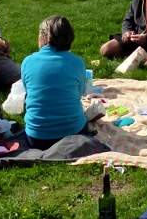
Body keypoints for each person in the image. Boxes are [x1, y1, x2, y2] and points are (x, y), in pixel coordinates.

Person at [20, 15, 93, 149]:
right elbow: (81, 92)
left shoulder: (28, 61)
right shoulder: (77, 62)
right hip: (74, 133)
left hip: (36, 138)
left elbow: (28, 91)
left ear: (45, 36)